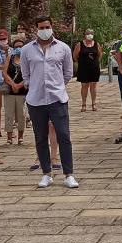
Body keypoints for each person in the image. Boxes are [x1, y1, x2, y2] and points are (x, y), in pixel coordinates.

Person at [21, 16, 78, 188]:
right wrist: (34, 87)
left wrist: (57, 86)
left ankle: (69, 174)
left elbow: (68, 73)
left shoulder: (63, 48)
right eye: (41, 27)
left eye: (47, 26)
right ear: (36, 29)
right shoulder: (27, 50)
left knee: (63, 135)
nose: (44, 30)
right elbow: (26, 75)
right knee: (40, 138)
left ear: (52, 27)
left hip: (57, 98)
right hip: (36, 100)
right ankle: (46, 173)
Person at [2, 38, 28, 145]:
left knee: (21, 114)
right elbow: (4, 73)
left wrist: (19, 85)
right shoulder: (10, 58)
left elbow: (30, 74)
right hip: (10, 91)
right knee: (9, 114)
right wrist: (13, 84)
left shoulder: (27, 59)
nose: (18, 48)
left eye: (21, 46)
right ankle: (9, 137)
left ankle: (20, 137)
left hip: (23, 91)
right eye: (16, 46)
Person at [74, 28, 102, 112]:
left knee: (93, 86)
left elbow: (100, 55)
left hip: (94, 68)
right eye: (88, 33)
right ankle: (84, 104)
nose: (90, 35)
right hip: (83, 68)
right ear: (85, 35)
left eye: (91, 33)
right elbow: (75, 56)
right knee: (84, 86)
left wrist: (96, 63)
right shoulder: (80, 44)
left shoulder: (96, 44)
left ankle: (94, 103)